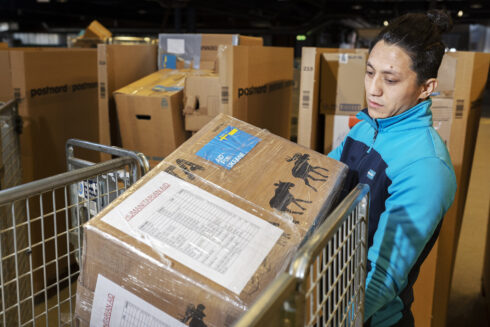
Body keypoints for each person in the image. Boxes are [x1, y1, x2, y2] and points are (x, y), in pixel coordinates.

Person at [328, 10, 457, 327]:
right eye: (369, 73)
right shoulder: (365, 129)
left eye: (390, 80)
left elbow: (383, 276)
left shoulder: (426, 166)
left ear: (426, 87)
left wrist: (336, 321)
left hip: (364, 317)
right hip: (326, 292)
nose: (373, 89)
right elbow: (318, 185)